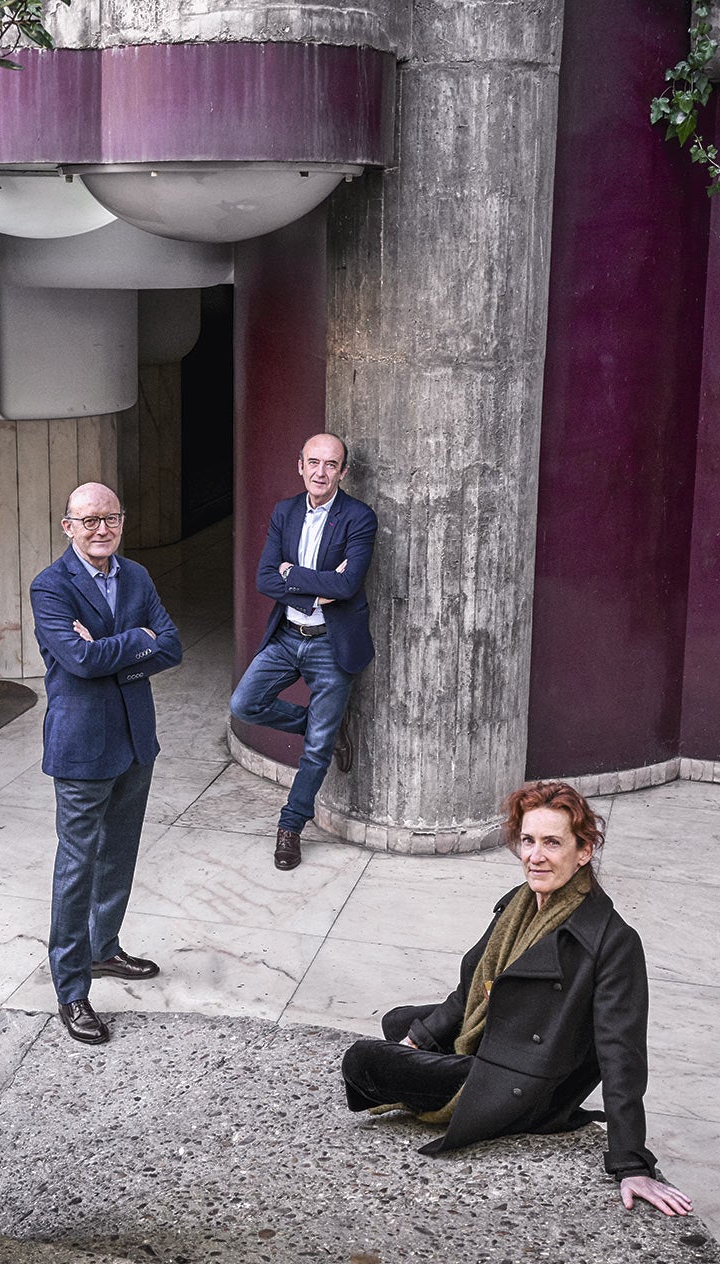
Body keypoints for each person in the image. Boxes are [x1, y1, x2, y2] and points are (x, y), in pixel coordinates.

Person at [341, 780, 693, 1217]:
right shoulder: (521, 903)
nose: (535, 856)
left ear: (583, 851)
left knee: (361, 1061)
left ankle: (448, 1081)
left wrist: (631, 1163)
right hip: (499, 1037)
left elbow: (621, 1054)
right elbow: (472, 987)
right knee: (399, 1022)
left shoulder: (612, 941)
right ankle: (432, 1060)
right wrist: (421, 1039)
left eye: (552, 843)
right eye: (528, 841)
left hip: (526, 1080)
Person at [30, 482, 182, 1045]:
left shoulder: (137, 576)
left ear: (122, 521)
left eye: (110, 518)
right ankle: (72, 989)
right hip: (82, 746)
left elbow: (171, 646)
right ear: (67, 526)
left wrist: (111, 649)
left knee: (119, 853)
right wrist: (136, 641)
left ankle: (103, 949)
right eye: (88, 520)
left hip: (135, 739)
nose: (101, 529)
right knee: (77, 867)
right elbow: (75, 659)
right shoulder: (50, 586)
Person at [230, 433, 377, 871]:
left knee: (314, 751)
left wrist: (293, 574)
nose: (320, 472)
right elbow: (264, 580)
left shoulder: (359, 517)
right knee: (244, 704)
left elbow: (348, 586)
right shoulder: (284, 512)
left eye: (330, 465)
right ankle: (326, 729)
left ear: (343, 472)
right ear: (300, 466)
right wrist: (318, 587)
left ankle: (291, 825)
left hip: (332, 644)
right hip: (287, 636)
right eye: (313, 462)